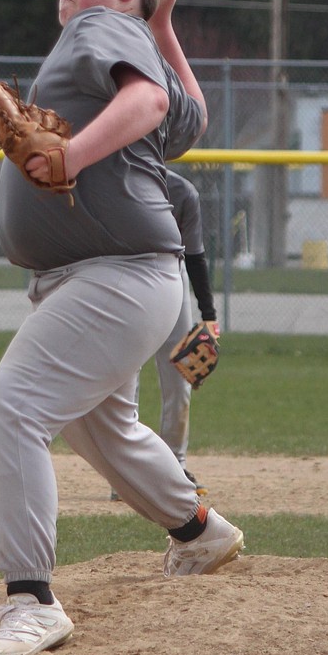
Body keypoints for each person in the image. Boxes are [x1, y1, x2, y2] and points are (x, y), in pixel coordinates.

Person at [0, 0, 243, 655]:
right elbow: (190, 113)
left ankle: (31, 600)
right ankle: (199, 531)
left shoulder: (98, 28)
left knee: (15, 403)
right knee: (101, 426)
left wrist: (70, 156)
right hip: (121, 275)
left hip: (117, 272)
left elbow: (154, 107)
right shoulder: (124, 41)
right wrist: (162, 24)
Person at [110, 169, 219, 499]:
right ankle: (125, 473)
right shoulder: (114, 182)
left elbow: (196, 257)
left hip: (172, 281)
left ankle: (175, 464)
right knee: (124, 381)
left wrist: (209, 315)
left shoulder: (182, 192)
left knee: (179, 379)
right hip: (122, 281)